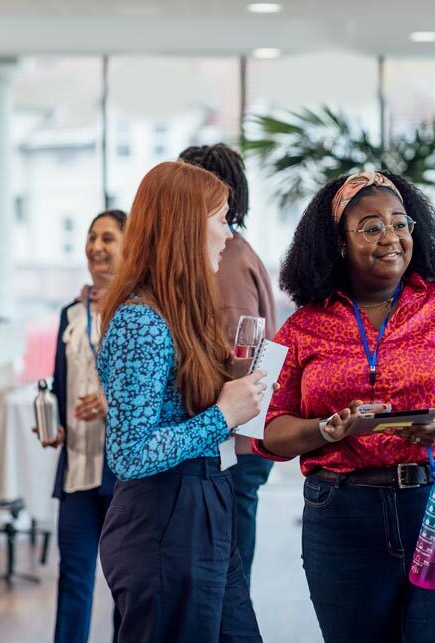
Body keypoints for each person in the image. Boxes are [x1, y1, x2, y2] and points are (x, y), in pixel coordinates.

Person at [254, 171, 435, 643]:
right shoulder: (302, 328)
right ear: (339, 244)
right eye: (371, 227)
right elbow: (267, 427)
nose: (391, 237)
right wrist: (328, 430)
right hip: (344, 515)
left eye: (400, 223)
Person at [96, 161, 265, 643]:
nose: (229, 236)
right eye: (221, 220)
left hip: (202, 508)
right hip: (163, 521)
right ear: (187, 227)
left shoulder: (182, 315)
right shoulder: (140, 323)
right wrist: (222, 416)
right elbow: (130, 454)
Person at [178, 143, 277, 586]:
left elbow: (235, 359)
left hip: (230, 443)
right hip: (230, 438)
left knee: (223, 584)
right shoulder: (233, 252)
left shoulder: (225, 261)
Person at [42, 209, 127, 643]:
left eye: (108, 238)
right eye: (92, 237)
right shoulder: (70, 313)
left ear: (129, 247)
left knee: (123, 584)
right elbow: (61, 382)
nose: (97, 246)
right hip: (76, 462)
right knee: (72, 576)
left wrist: (111, 402)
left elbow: (155, 385)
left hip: (122, 466)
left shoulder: (139, 312)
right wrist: (54, 422)